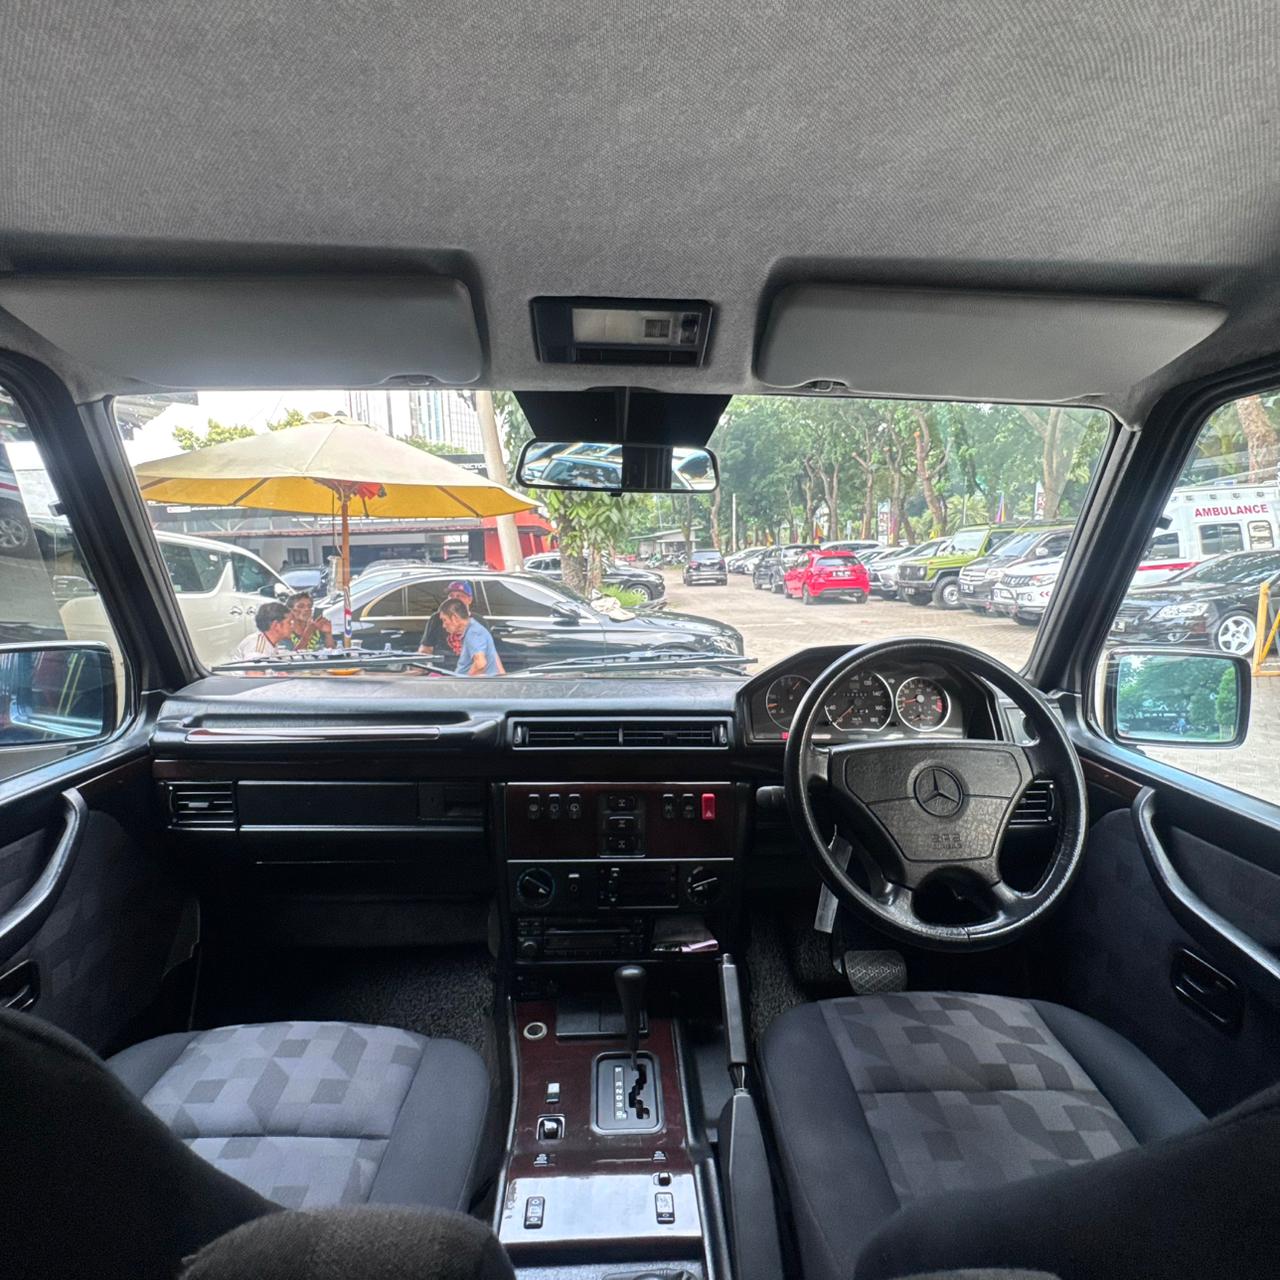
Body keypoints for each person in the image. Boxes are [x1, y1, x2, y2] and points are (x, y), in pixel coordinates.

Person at [438, 598, 504, 676]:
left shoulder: (473, 633)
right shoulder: (473, 630)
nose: (443, 625)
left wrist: (464, 681)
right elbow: (495, 659)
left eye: (444, 620)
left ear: (455, 618)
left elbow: (480, 664)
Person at [419, 580, 481, 663]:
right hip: (441, 668)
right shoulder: (436, 619)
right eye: (451, 596)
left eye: (459, 596)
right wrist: (420, 666)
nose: (454, 599)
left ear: (469, 599)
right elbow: (426, 649)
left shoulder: (479, 621)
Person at [228, 601, 293, 662]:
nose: (292, 626)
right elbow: (254, 670)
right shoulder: (257, 649)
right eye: (289, 622)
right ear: (276, 625)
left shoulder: (269, 641)